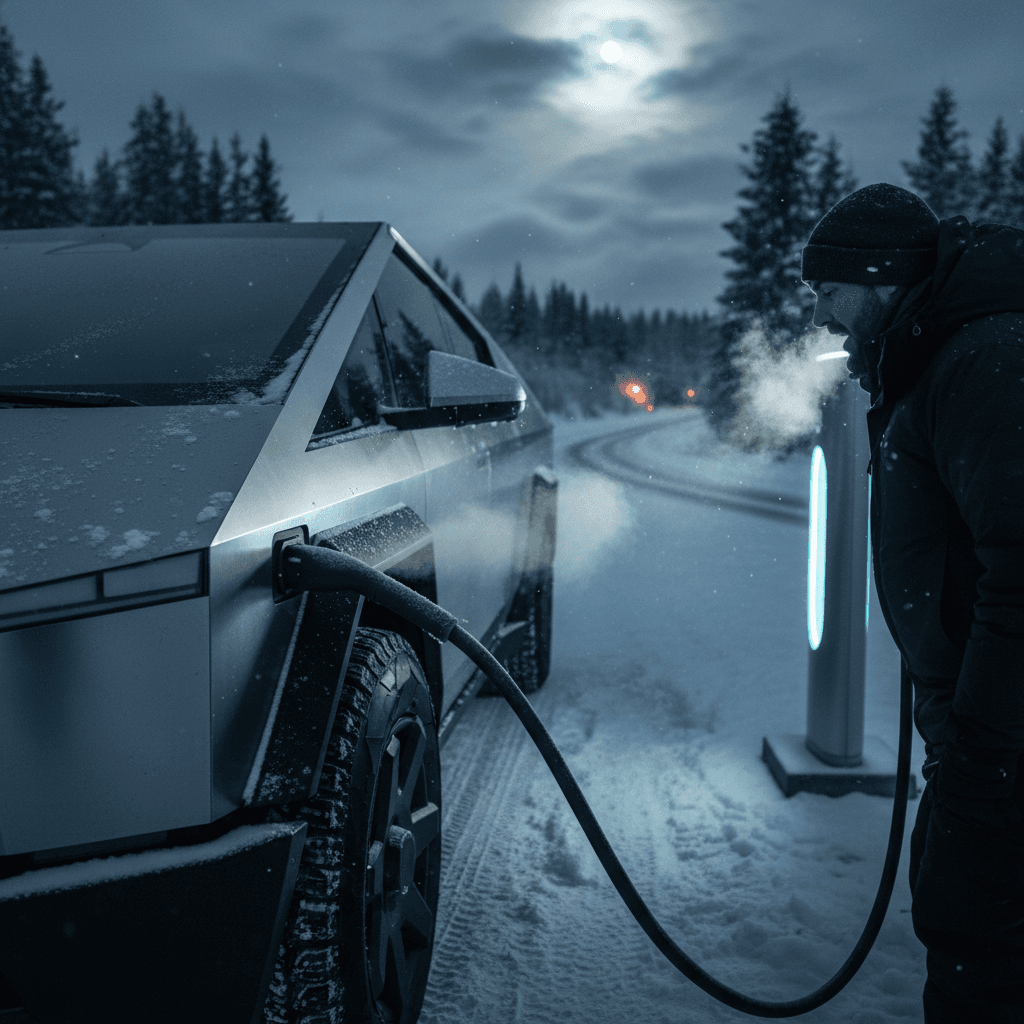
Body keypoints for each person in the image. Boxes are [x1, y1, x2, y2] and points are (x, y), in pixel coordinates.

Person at [801, 182, 1024, 1022]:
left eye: (829, 292)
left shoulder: (982, 361)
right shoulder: (941, 358)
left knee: (984, 952)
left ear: (879, 275)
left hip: (998, 744)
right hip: (978, 734)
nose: (821, 316)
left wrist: (982, 757)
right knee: (966, 929)